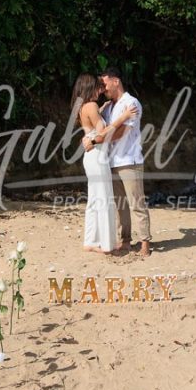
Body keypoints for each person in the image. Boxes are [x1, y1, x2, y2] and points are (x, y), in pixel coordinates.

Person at [83, 67, 152, 257]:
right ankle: (126, 240)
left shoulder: (131, 103)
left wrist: (95, 140)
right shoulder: (108, 107)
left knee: (136, 202)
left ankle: (145, 242)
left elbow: (121, 132)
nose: (103, 89)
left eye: (104, 84)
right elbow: (100, 129)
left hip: (129, 160)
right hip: (110, 161)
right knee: (120, 205)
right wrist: (88, 136)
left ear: (116, 81)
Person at [71, 73, 137, 254]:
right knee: (104, 199)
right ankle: (107, 245)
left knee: (94, 199)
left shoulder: (84, 107)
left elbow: (92, 131)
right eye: (97, 86)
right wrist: (123, 117)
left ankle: (90, 241)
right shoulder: (91, 105)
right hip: (98, 156)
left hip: (91, 157)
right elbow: (103, 134)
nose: (101, 90)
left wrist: (102, 109)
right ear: (89, 88)